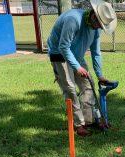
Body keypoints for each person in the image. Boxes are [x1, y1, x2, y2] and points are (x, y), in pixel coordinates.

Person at [47, 0, 117, 137]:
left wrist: (99, 75)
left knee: (88, 86)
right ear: (93, 15)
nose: (99, 27)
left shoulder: (96, 30)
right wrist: (77, 67)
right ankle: (79, 125)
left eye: (102, 26)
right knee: (70, 89)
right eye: (99, 24)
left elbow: (96, 52)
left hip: (76, 56)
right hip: (59, 55)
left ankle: (89, 120)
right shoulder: (73, 20)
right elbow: (63, 47)